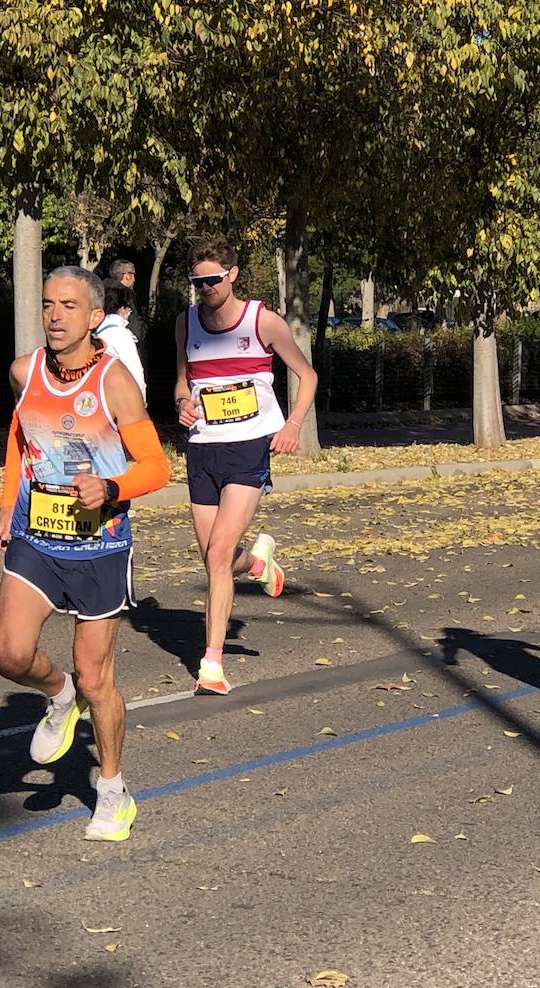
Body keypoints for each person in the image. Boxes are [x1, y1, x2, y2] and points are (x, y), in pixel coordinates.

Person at [0, 266, 169, 843]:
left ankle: (112, 789)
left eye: (69, 305)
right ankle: (56, 694)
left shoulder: (115, 384)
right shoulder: (26, 371)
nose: (55, 315)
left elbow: (158, 468)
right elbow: (22, 439)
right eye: (47, 304)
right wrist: (3, 509)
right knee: (10, 656)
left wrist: (111, 488)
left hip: (100, 545)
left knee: (98, 678)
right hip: (38, 536)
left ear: (95, 317)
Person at [174, 238, 318, 695]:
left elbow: (307, 375)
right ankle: (257, 563)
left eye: (213, 280)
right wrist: (181, 403)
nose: (205, 289)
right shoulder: (185, 323)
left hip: (248, 447)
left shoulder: (262, 321)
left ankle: (211, 665)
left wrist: (293, 424)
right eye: (198, 282)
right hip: (202, 449)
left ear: (233, 274)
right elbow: (182, 381)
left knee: (217, 556)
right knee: (214, 557)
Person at [96, 278, 147, 399]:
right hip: (123, 402)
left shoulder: (95, 333)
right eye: (129, 309)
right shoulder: (122, 335)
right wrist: (141, 403)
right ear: (122, 309)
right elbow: (136, 373)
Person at [107, 259, 147, 347]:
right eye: (133, 274)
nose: (134, 279)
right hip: (123, 347)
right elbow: (135, 328)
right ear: (127, 276)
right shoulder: (126, 295)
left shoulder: (100, 291)